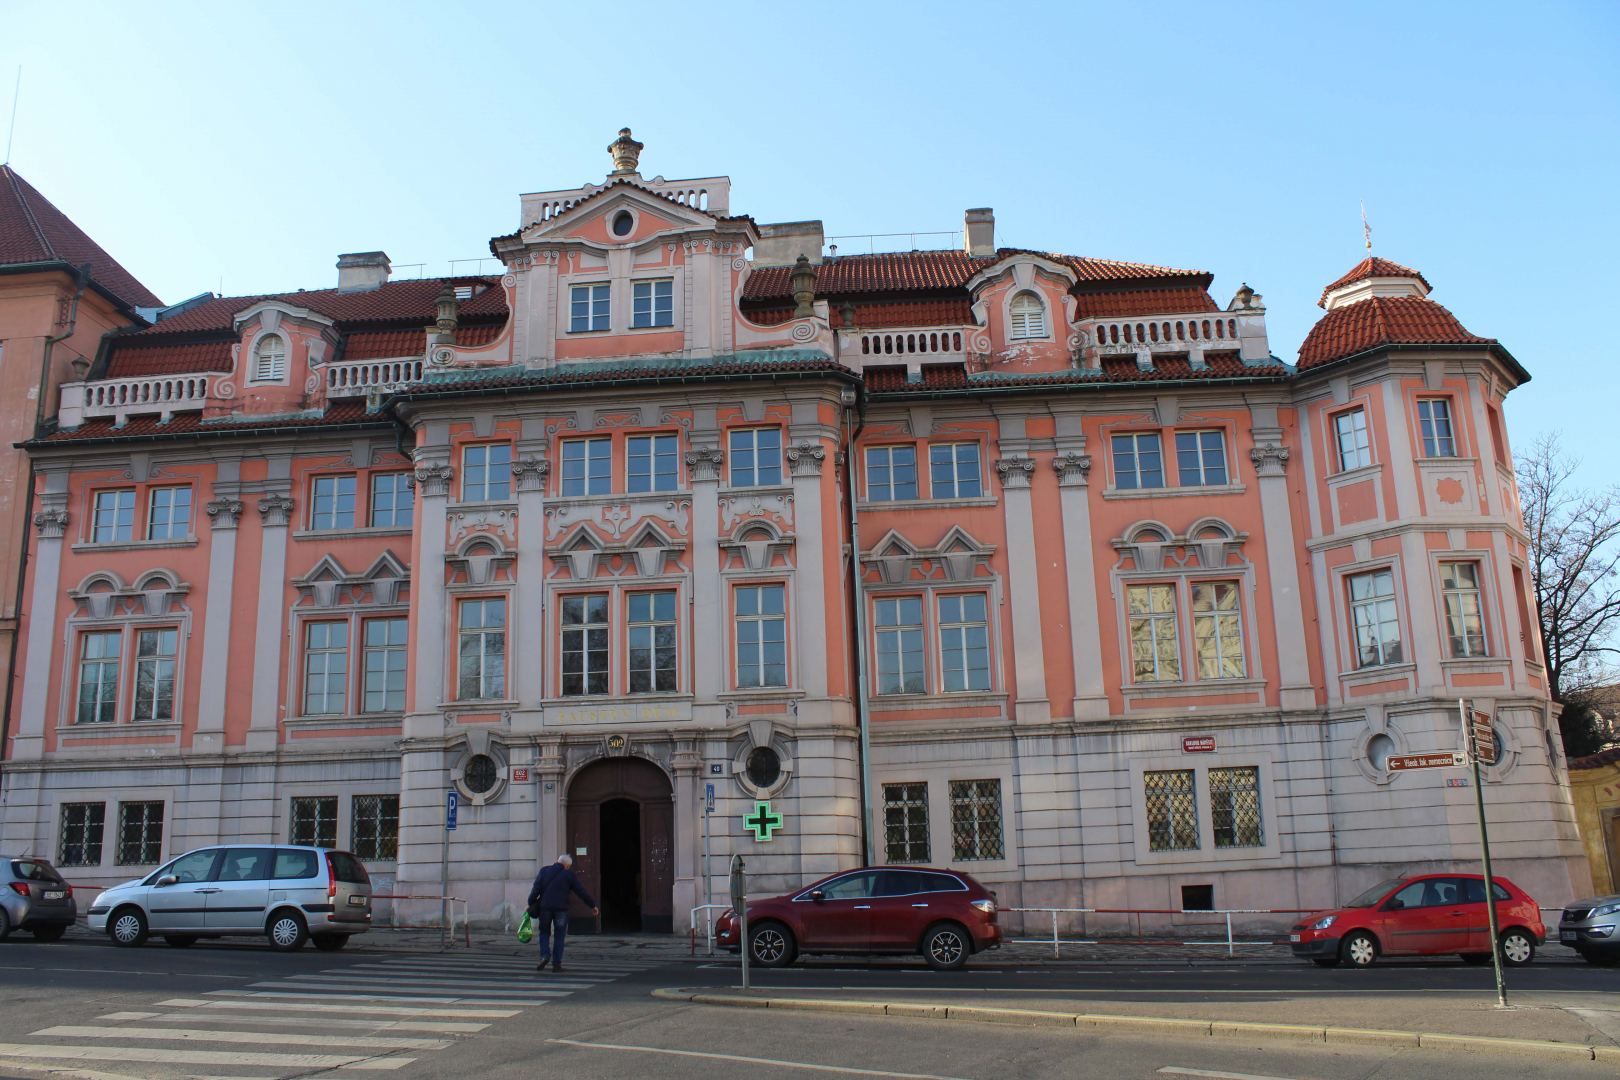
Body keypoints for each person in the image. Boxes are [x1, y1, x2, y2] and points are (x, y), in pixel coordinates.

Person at [526, 853, 598, 972]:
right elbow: (581, 891)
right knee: (559, 936)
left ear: (557, 861)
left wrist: (531, 903)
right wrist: (592, 905)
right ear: (567, 866)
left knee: (544, 933)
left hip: (545, 909)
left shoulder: (544, 871)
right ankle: (556, 964)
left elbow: (535, 889)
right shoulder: (569, 874)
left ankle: (544, 955)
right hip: (561, 910)